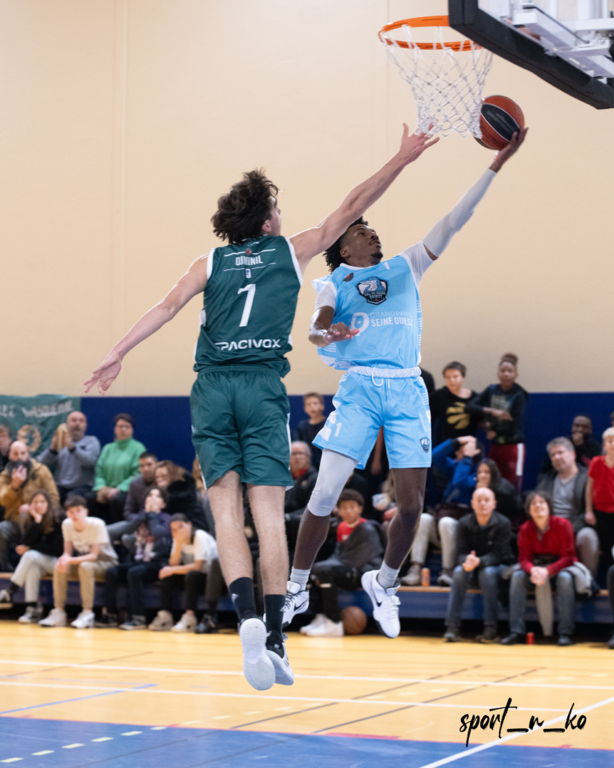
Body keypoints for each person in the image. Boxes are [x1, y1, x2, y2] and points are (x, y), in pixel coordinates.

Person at [85, 126, 439, 691]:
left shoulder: (209, 262)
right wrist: (400, 159)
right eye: (277, 208)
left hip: (211, 388)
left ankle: (247, 615)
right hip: (261, 387)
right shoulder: (290, 250)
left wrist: (118, 352)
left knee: (225, 511)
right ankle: (274, 635)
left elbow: (167, 306)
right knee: (269, 516)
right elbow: (353, 204)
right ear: (268, 221)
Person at [281, 130, 527, 640]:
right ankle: (296, 586)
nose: (372, 233)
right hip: (361, 389)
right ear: (343, 245)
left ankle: (385, 583)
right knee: (324, 494)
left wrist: (497, 164)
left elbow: (455, 219)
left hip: (406, 389)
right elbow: (316, 327)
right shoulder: (333, 282)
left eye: (372, 228)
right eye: (362, 230)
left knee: (413, 504)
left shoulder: (406, 265)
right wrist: (329, 332)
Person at [301, 490, 384, 637]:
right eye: (344, 507)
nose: (348, 511)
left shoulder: (368, 528)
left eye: (352, 507)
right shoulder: (341, 527)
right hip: (348, 569)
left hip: (365, 573)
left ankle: (334, 622)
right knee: (310, 573)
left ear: (360, 509)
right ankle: (321, 616)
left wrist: (324, 567)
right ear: (338, 510)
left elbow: (356, 560)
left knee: (324, 571)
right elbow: (338, 555)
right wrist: (318, 568)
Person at [501, 492, 578, 646]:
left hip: (560, 567)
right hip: (536, 568)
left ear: (549, 506)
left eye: (542, 502)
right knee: (517, 577)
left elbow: (568, 558)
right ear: (528, 510)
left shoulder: (563, 524)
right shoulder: (525, 528)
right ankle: (516, 631)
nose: (538, 505)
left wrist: (547, 571)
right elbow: (523, 559)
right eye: (533, 503)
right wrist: (532, 570)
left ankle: (565, 632)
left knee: (565, 579)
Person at [403, 436, 481, 587]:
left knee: (446, 522)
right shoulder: (457, 465)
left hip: (463, 529)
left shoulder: (481, 470)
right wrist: (454, 442)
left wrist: (466, 458)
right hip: (444, 519)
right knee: (423, 518)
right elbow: (432, 457)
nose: (457, 452)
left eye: (462, 449)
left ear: (476, 451)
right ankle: (415, 568)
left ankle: (448, 570)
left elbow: (459, 482)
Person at [443, 487, 514, 643]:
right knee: (458, 572)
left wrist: (479, 561)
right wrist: (467, 560)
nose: (482, 503)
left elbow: (499, 554)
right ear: (472, 503)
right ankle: (452, 628)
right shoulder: (463, 523)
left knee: (487, 573)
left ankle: (490, 629)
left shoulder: (503, 523)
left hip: (499, 566)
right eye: (479, 500)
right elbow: (459, 553)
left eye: (486, 500)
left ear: (494, 504)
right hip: (473, 565)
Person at [97, 487, 172, 630]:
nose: (151, 498)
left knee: (134, 572)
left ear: (163, 504)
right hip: (139, 561)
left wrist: (152, 516)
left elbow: (158, 533)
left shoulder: (167, 519)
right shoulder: (140, 517)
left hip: (158, 563)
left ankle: (138, 617)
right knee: (112, 572)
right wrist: (143, 515)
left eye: (156, 496)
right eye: (149, 495)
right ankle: (110, 615)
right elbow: (127, 530)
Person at [39, 496, 118, 628]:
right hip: (83, 561)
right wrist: (64, 560)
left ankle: (87, 613)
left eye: (78, 511)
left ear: (85, 512)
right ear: (67, 514)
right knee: (59, 566)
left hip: (107, 562)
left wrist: (70, 560)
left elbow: (93, 556)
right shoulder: (67, 524)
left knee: (85, 566)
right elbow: (67, 552)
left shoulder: (97, 524)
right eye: (71, 511)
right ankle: (58, 612)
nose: (75, 514)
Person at [148, 513, 223, 634]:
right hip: (193, 580)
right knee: (168, 577)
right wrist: (178, 545)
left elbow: (198, 566)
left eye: (180, 527)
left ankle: (190, 617)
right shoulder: (178, 540)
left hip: (213, 582)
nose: (177, 532)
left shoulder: (200, 536)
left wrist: (171, 569)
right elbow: (173, 564)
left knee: (191, 575)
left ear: (189, 525)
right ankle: (165, 616)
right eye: (173, 530)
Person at [537, 437, 599, 575]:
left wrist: (568, 529)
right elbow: (536, 505)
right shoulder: (547, 480)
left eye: (560, 452)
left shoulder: (587, 478)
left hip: (576, 528)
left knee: (588, 535)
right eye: (553, 455)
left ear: (572, 454)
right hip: (550, 528)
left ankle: (588, 580)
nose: (557, 457)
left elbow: (588, 511)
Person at [0, 490, 64, 623]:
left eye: (42, 502)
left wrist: (31, 548)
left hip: (59, 563)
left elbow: (56, 549)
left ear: (48, 504)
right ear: (31, 505)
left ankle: (10, 591)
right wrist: (37, 521)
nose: (39, 505)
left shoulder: (58, 518)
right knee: (31, 568)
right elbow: (25, 542)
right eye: (35, 502)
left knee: (30, 555)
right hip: (42, 562)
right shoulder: (32, 520)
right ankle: (32, 609)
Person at [0, 441, 59, 571]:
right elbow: (2, 500)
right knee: (1, 529)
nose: (20, 457)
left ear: (28, 454)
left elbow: (54, 498)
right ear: (10, 456)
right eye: (15, 454)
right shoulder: (4, 475)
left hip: (39, 522)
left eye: (23, 453)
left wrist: (36, 509)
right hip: (15, 522)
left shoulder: (41, 470)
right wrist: (14, 485)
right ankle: (4, 570)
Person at [476, 353, 529, 490]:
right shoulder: (491, 390)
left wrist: (494, 432)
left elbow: (515, 423)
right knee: (492, 482)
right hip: (495, 445)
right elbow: (471, 407)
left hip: (513, 446)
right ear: (498, 374)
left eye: (509, 371)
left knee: (512, 484)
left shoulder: (519, 394)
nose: (506, 374)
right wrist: (489, 414)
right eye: (503, 371)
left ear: (515, 375)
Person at [429, 361, 510, 447]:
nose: (451, 380)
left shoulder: (474, 397)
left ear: (463, 377)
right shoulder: (438, 395)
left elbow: (481, 419)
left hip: (468, 444)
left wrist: (489, 429)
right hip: (445, 444)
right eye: (448, 377)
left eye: (455, 377)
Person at [91, 414, 146, 523]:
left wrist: (119, 489)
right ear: (115, 429)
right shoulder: (107, 448)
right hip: (105, 489)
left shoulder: (138, 448)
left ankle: (116, 531)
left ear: (132, 430)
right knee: (90, 498)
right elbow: (99, 471)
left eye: (127, 426)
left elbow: (137, 474)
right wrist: (101, 487)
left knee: (117, 499)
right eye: (120, 426)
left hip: (126, 490)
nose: (123, 429)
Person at [38, 411, 101, 502]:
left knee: (71, 499)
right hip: (61, 485)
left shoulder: (92, 441)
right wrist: (53, 450)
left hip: (83, 486)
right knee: (48, 497)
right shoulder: (60, 443)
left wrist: (72, 448)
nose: (77, 424)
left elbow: (90, 462)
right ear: (67, 424)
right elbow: (41, 464)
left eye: (81, 421)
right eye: (74, 420)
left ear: (85, 425)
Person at [586, 427, 614, 571]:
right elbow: (589, 488)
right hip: (600, 512)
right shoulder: (596, 462)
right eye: (610, 441)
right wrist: (589, 511)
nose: (613, 444)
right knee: (605, 546)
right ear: (604, 445)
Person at [154, 460, 208, 531]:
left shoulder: (183, 494)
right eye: (157, 477)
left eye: (163, 476)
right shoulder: (156, 493)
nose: (160, 479)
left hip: (194, 528)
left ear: (171, 475)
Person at [294, 393, 326, 469]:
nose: (312, 406)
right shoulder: (302, 426)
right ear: (305, 408)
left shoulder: (329, 424)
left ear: (322, 406)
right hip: (309, 464)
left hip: (326, 461)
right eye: (308, 404)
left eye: (315, 403)